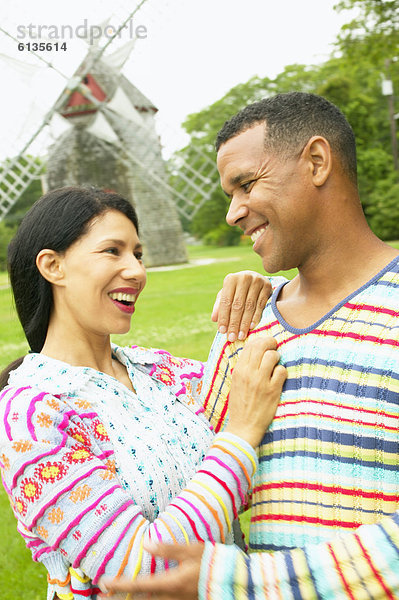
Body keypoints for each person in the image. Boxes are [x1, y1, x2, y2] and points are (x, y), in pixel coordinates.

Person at [103, 92, 399, 599]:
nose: (232, 213)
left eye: (246, 184)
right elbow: (204, 473)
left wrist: (250, 583)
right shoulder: (245, 327)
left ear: (317, 162)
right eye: (228, 194)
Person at [0, 186, 287, 600]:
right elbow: (140, 567)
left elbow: (260, 374)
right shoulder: (29, 415)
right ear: (53, 266)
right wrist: (240, 435)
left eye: (137, 253)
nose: (136, 271)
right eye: (112, 251)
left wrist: (267, 293)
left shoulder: (159, 371)